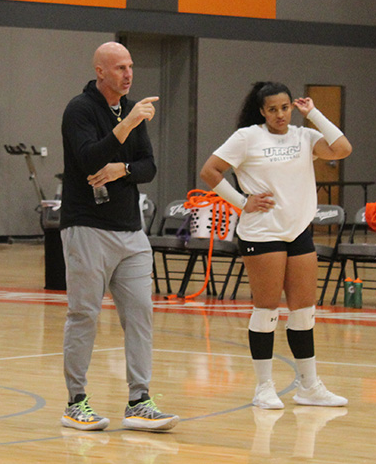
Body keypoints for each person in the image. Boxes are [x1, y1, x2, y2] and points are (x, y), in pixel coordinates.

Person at [199, 81, 352, 410]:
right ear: (262, 111)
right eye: (273, 109)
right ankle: (264, 387)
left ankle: (309, 386)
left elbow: (342, 149)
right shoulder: (247, 138)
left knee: (303, 311)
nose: (280, 114)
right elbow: (209, 170)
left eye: (285, 107)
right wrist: (242, 202)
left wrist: (314, 114)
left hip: (298, 231)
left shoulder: (304, 136)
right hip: (262, 233)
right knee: (266, 309)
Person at [59, 42, 178, 432]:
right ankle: (76, 402)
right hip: (87, 227)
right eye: (120, 68)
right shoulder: (80, 109)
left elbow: (148, 167)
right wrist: (126, 126)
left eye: (130, 66)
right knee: (84, 314)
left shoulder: (131, 110)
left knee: (141, 313)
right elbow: (90, 158)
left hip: (130, 231)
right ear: (101, 71)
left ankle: (139, 401)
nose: (128, 74)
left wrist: (122, 169)